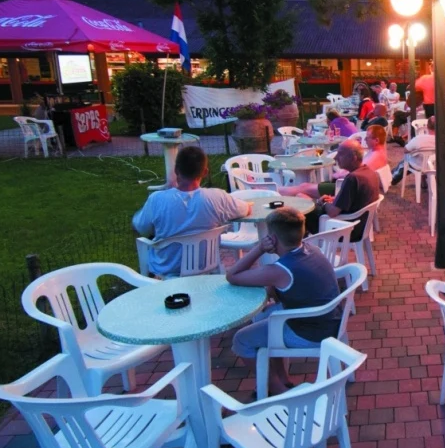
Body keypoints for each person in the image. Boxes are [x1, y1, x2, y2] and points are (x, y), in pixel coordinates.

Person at [228, 207, 343, 395]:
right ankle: (283, 378)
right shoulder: (312, 249)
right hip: (330, 321)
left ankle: (276, 388)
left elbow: (232, 276)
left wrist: (259, 249)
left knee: (241, 340)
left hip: (310, 333)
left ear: (272, 237)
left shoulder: (279, 270)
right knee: (264, 316)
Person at [132, 146, 252, 278]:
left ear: (176, 170)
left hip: (168, 270)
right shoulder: (218, 197)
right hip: (206, 267)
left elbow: (141, 228)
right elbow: (245, 209)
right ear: (205, 172)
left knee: (148, 238)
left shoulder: (157, 200)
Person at [280, 141, 380, 238]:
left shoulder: (353, 178)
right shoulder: (369, 173)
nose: (336, 158)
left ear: (353, 157)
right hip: (357, 225)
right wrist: (334, 200)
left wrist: (323, 203)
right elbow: (354, 200)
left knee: (301, 205)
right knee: (301, 196)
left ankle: (300, 245)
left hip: (343, 229)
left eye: (340, 154)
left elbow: (333, 212)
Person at [391, 115, 437, 185]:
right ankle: (423, 181)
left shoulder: (419, 139)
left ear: (427, 126)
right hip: (437, 165)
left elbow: (405, 150)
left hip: (418, 165)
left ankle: (391, 179)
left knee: (406, 160)